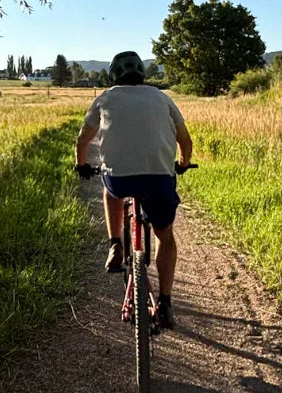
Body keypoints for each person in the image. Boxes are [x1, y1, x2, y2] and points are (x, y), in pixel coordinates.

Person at [74, 50, 193, 329]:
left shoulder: (104, 98)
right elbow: (185, 140)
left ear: (113, 75)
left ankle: (115, 244)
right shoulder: (161, 97)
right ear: (142, 73)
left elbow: (83, 139)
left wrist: (81, 165)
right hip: (159, 180)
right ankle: (165, 302)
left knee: (110, 189)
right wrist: (183, 163)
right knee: (165, 236)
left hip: (121, 180)